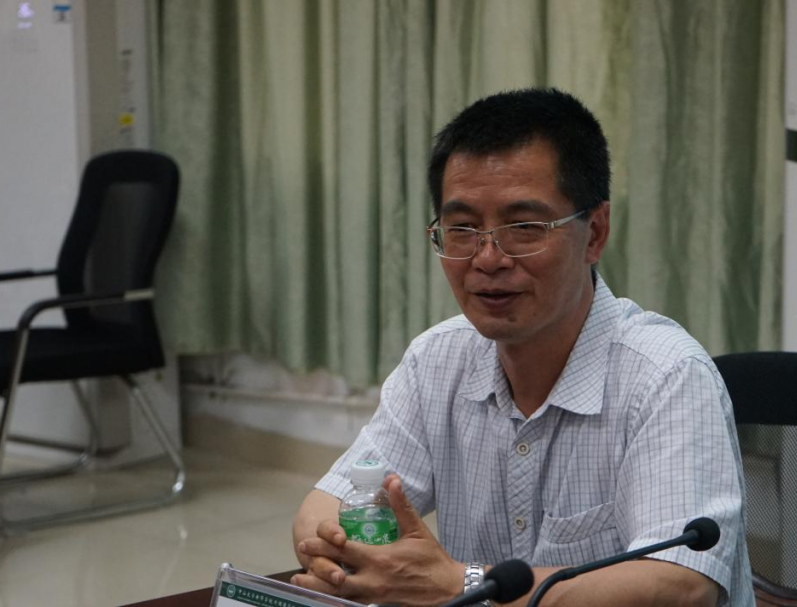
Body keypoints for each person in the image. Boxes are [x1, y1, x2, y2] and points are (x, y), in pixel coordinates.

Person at [291, 88, 753, 607]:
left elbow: (682, 587)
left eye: (523, 228)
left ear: (595, 233)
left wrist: (458, 583)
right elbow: (323, 508)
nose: (488, 259)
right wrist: (346, 562)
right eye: (462, 228)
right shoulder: (437, 360)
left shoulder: (666, 376)